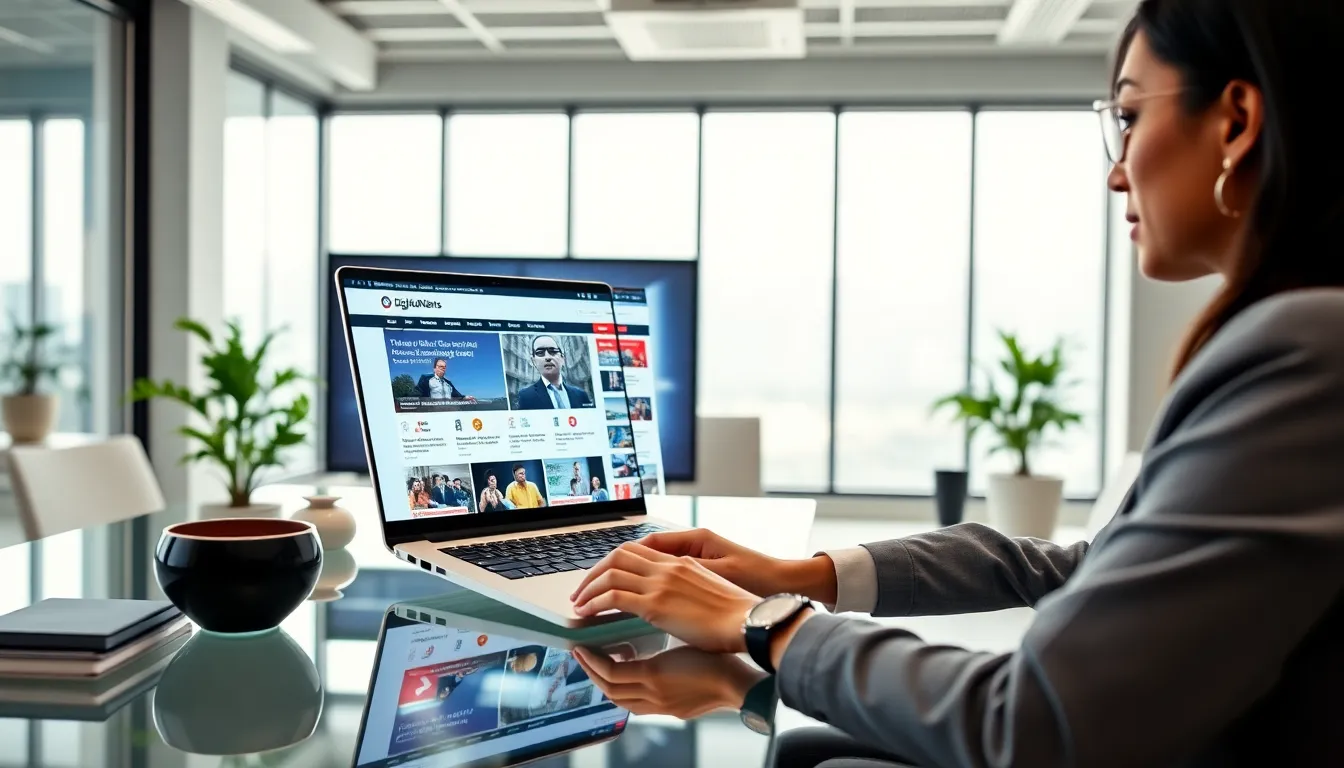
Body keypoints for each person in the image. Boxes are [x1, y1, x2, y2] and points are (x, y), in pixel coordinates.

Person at [569, 2, 1344, 765]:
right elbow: (1075, 567)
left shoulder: (1304, 350)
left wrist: (765, 622)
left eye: (1130, 117)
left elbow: (1033, 719)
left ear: (1237, 121)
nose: (1115, 172)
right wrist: (802, 576)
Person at [514, 336, 593, 410]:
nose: (548, 357)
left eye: (553, 351)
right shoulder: (525, 396)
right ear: (533, 361)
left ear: (562, 358)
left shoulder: (581, 395)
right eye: (540, 353)